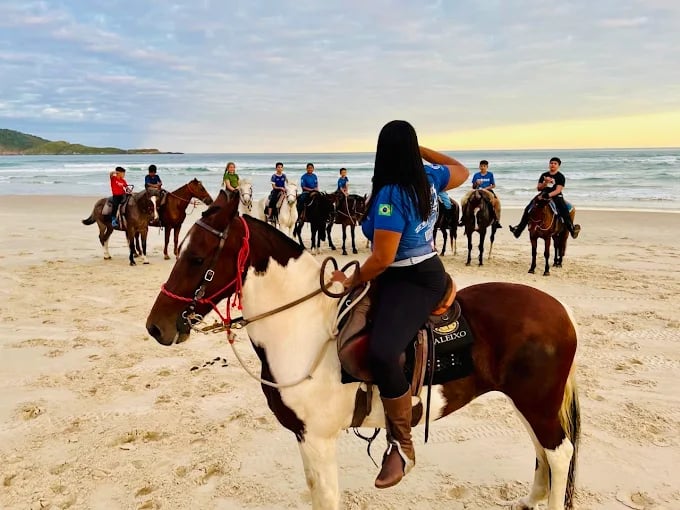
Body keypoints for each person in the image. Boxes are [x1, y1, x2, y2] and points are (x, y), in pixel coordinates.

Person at [333, 120, 469, 489]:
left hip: (411, 278)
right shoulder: (428, 177)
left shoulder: (393, 194)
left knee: (383, 352)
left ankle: (402, 445)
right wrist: (419, 149)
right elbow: (461, 169)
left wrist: (351, 279)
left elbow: (381, 258)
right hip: (413, 269)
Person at [509, 157, 581, 239]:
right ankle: (518, 230)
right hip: (543, 194)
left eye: (555, 163)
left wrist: (548, 195)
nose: (552, 165)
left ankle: (572, 229)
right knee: (528, 208)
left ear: (558, 166)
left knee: (564, 210)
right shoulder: (544, 175)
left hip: (556, 196)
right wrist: (545, 183)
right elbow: (539, 188)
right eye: (551, 163)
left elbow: (558, 190)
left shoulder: (560, 176)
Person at [459, 160, 502, 228]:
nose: (482, 167)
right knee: (464, 199)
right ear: (479, 167)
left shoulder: (490, 174)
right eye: (481, 166)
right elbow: (473, 186)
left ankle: (497, 221)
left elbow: (493, 185)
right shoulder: (476, 175)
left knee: (497, 202)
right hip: (477, 190)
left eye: (484, 166)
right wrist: (476, 183)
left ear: (487, 167)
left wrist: (485, 188)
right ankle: (463, 218)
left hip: (487, 190)